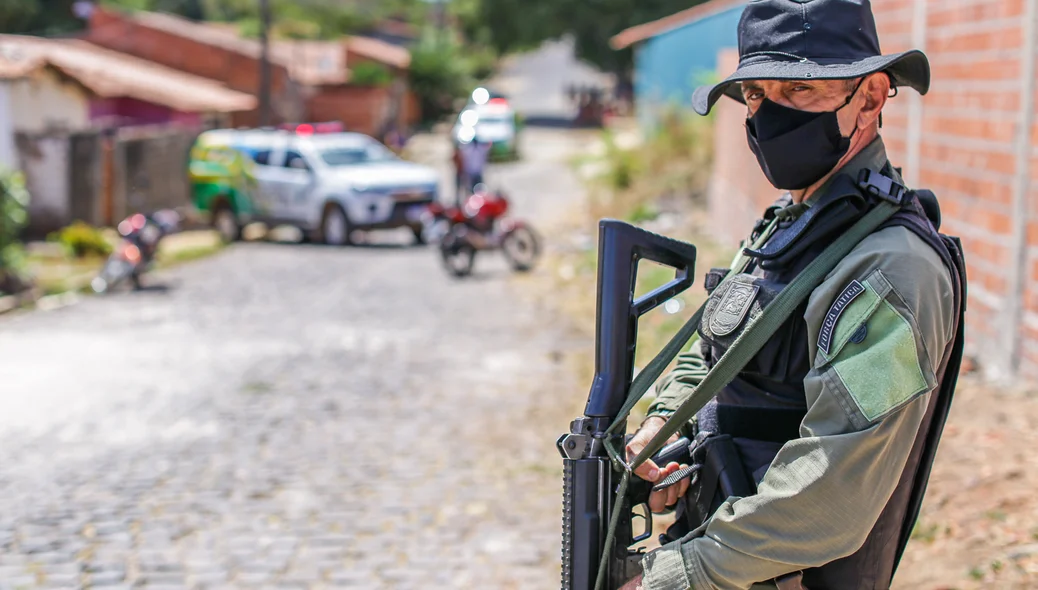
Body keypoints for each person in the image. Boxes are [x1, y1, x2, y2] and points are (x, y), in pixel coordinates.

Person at [620, 1, 966, 589]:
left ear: (871, 97)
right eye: (756, 93)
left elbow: (832, 489)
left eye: (801, 89)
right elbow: (718, 347)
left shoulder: (890, 270)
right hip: (724, 548)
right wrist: (664, 425)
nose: (769, 113)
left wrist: (680, 575)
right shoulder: (788, 225)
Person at [458, 137, 492, 204]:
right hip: (471, 173)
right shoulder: (469, 150)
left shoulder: (480, 149)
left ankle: (480, 203)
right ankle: (472, 203)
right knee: (471, 189)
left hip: (478, 172)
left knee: (480, 190)